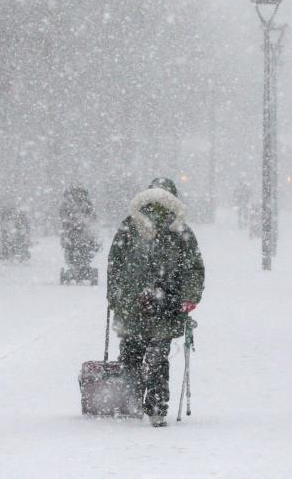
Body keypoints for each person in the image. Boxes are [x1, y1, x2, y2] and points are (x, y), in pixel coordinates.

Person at [106, 177, 205, 427]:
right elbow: (193, 266)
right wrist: (189, 297)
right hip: (167, 303)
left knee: (131, 352)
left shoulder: (129, 225)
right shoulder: (180, 229)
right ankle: (157, 407)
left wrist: (115, 296)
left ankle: (130, 400)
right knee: (158, 356)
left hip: (132, 302)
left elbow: (114, 264)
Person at [60, 186, 100, 283]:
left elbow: (93, 217)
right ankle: (77, 267)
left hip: (83, 234)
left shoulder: (87, 205)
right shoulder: (67, 205)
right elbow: (63, 217)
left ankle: (79, 267)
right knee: (72, 249)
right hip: (73, 234)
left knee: (84, 250)